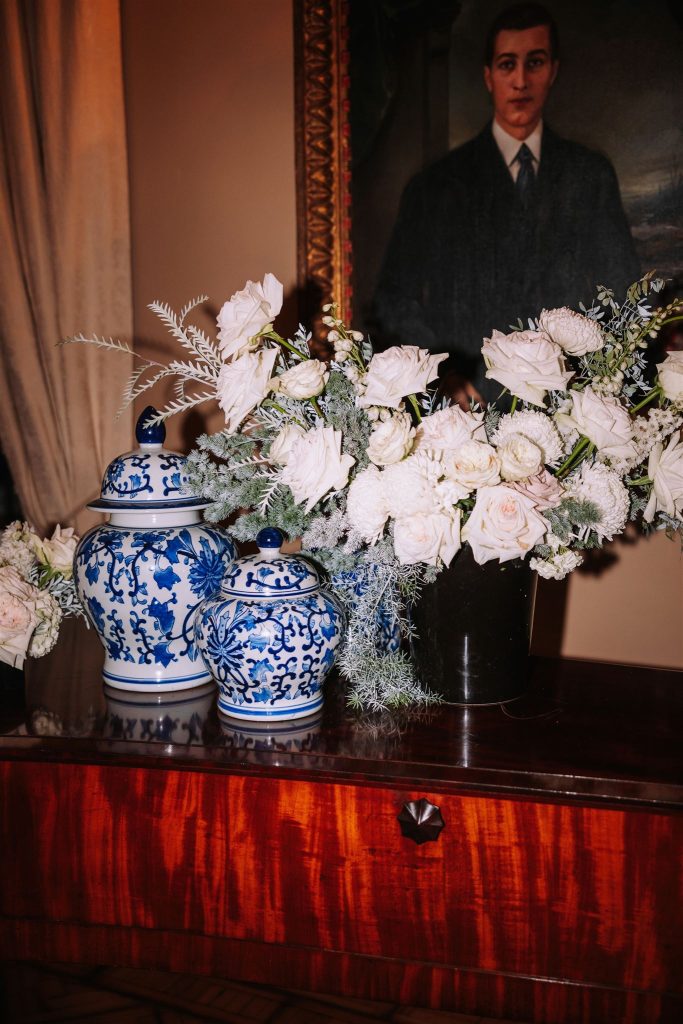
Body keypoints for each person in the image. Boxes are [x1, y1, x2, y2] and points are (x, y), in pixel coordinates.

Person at [370, 2, 640, 408]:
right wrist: (440, 376)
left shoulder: (590, 176)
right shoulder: (435, 187)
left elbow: (624, 297)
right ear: (488, 76)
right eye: (506, 65)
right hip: (468, 419)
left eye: (534, 63)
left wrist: (596, 388)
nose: (520, 80)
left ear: (553, 71)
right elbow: (393, 301)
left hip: (570, 417)